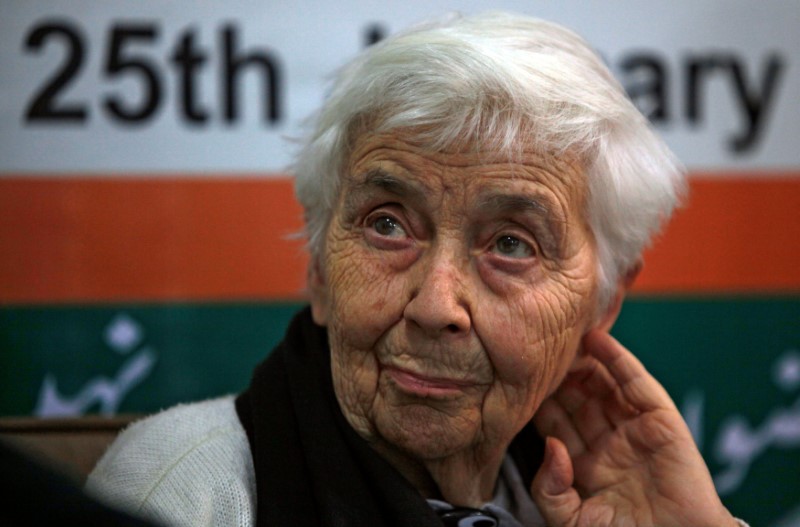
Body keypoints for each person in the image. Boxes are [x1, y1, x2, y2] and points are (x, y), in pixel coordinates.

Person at [86, 12, 746, 527]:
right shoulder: (188, 488)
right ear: (319, 268)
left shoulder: (601, 501)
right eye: (388, 224)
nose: (435, 306)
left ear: (601, 305)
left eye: (512, 244)